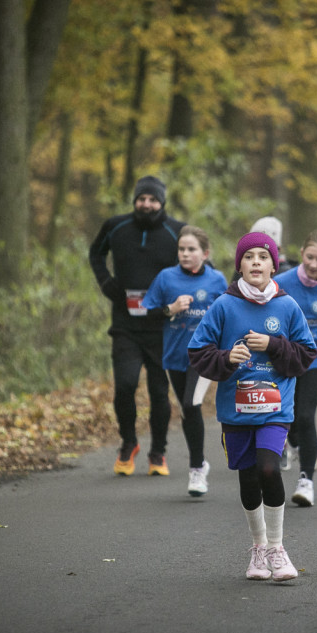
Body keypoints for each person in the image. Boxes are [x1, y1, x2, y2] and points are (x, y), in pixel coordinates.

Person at [188, 232, 317, 582]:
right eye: (249, 257)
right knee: (248, 478)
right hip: (237, 410)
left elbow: (306, 355)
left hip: (276, 409)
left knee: (269, 470)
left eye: (263, 256)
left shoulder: (288, 306)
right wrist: (227, 357)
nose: (256, 262)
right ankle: (258, 548)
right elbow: (198, 352)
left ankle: (277, 548)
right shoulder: (224, 305)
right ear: (239, 265)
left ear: (274, 265)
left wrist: (274, 344)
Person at [89, 175, 184, 476]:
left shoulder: (177, 231)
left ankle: (158, 452)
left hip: (162, 325)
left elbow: (195, 264)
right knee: (125, 385)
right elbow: (96, 253)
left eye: (153, 199)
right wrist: (107, 283)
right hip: (125, 323)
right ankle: (128, 443)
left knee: (159, 391)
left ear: (162, 202)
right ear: (135, 201)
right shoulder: (115, 226)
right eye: (141, 199)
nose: (146, 204)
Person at [143, 225, 228, 496]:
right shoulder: (166, 278)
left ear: (205, 253)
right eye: (181, 249)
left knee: (192, 403)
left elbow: (230, 315)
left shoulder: (217, 280)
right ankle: (201, 463)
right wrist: (170, 309)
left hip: (204, 354)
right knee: (187, 410)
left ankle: (195, 471)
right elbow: (147, 314)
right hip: (174, 356)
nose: (185, 254)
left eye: (191, 250)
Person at [273, 231, 317, 507]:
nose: (314, 264)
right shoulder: (280, 283)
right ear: (302, 253)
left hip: (316, 360)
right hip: (285, 359)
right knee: (285, 415)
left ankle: (306, 481)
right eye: (310, 257)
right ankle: (290, 447)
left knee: (305, 416)